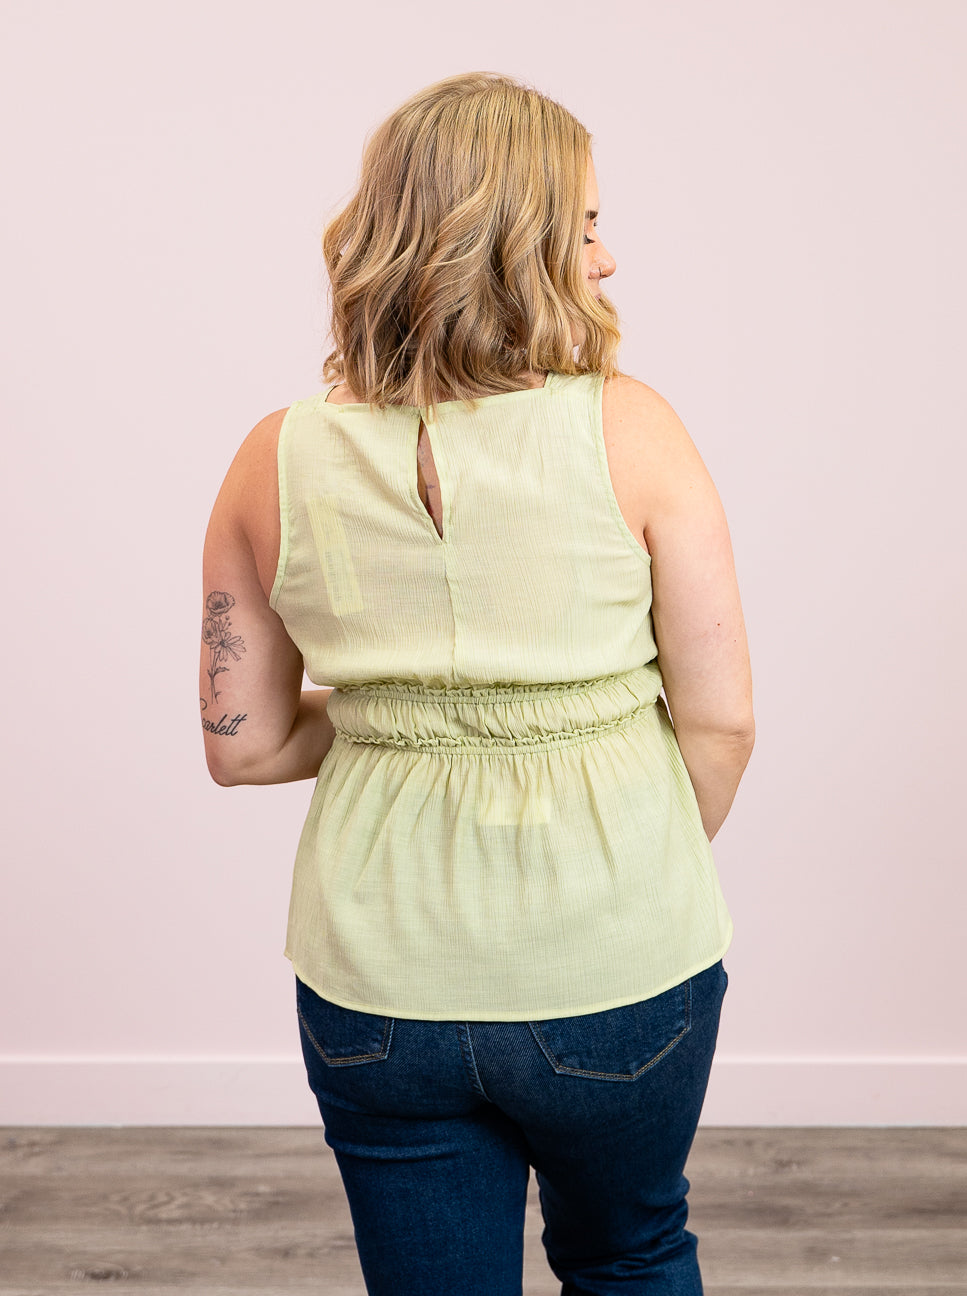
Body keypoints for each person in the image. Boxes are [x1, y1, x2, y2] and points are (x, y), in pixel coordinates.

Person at [199, 71, 754, 1296]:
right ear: (518, 243)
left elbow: (240, 744)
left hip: (377, 979)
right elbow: (721, 721)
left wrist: (396, 714)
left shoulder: (270, 459)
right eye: (585, 225)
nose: (607, 258)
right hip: (616, 958)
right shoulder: (636, 431)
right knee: (631, 1255)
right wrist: (638, 857)